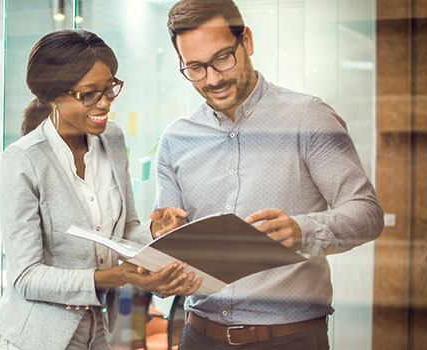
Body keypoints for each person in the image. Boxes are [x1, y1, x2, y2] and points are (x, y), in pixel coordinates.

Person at [157, 1, 384, 349]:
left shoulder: (309, 117)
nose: (213, 79)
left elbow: (367, 213)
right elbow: (168, 238)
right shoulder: (177, 138)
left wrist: (302, 231)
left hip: (289, 338)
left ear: (246, 41)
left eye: (222, 59)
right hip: (198, 335)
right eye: (196, 68)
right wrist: (163, 235)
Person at [0, 29, 201, 350]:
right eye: (89, 94)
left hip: (100, 326)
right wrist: (120, 276)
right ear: (54, 94)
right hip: (38, 337)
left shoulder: (113, 140)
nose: (105, 103)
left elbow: (126, 229)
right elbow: (26, 277)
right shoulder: (22, 160)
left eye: (110, 89)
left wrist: (156, 232)